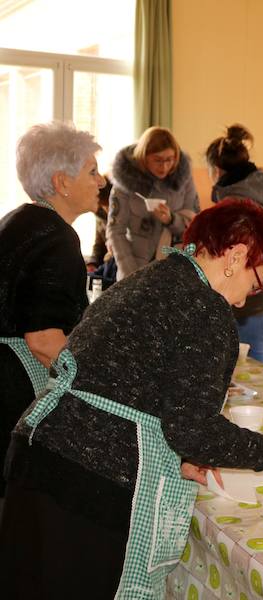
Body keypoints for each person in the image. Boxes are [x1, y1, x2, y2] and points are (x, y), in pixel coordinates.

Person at [0, 198, 263, 597]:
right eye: (255, 281)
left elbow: (137, 388)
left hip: (37, 452)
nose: (246, 299)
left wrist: (180, 456)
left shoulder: (150, 278)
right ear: (236, 255)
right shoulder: (207, 308)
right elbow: (192, 428)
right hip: (89, 486)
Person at [0, 122, 106, 499]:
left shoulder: (17, 220)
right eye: (92, 172)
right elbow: (44, 341)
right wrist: (98, 388)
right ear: (62, 182)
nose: (101, 181)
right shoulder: (57, 238)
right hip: (12, 389)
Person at [207, 124, 263, 365]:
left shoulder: (234, 205)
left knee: (249, 379)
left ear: (216, 170)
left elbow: (234, 262)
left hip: (258, 308)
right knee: (261, 375)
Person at [107, 126, 200, 280]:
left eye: (169, 159)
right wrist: (130, 274)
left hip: (173, 269)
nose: (164, 166)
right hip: (134, 266)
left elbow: (195, 228)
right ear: (143, 157)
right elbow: (116, 231)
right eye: (157, 160)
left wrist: (171, 219)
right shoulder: (125, 183)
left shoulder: (184, 179)